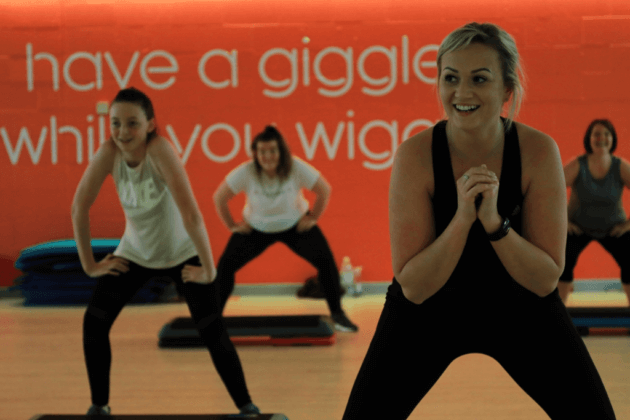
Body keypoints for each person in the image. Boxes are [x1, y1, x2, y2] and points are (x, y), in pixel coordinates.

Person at [341, 23, 616, 419]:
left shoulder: (538, 152)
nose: (462, 93)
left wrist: (495, 224)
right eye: (450, 78)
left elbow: (544, 279)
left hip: (519, 307)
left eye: (479, 79)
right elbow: (415, 287)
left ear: (506, 90)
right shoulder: (415, 156)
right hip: (430, 311)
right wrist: (462, 218)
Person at [72, 87, 260, 417]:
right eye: (115, 123)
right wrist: (89, 265)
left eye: (132, 123)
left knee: (211, 330)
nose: (122, 132)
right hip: (135, 253)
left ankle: (248, 407)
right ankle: (99, 407)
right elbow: (79, 206)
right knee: (94, 323)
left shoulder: (160, 150)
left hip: (181, 253)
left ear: (149, 125)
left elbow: (191, 214)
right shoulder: (109, 153)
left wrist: (208, 269)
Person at [212, 125, 358, 332]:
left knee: (326, 262)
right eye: (262, 151)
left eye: (272, 150)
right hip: (256, 228)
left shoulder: (295, 167)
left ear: (281, 151)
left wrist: (313, 217)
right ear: (256, 153)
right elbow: (219, 198)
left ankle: (338, 314)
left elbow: (324, 189)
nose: (267, 156)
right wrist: (232, 225)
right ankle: (213, 319)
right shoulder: (247, 171)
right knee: (225, 266)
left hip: (295, 226)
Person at [559, 119, 630, 305]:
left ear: (612, 139)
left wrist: (629, 224)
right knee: (562, 261)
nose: (601, 138)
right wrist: (564, 222)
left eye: (606, 134)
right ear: (589, 139)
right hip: (578, 227)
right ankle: (559, 318)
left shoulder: (620, 166)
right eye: (596, 134)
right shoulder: (577, 165)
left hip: (614, 227)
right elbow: (551, 190)